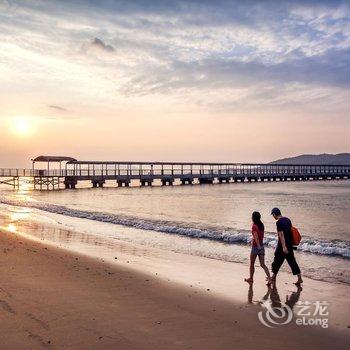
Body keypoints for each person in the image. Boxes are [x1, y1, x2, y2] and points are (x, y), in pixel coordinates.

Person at [270, 208, 303, 285]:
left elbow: (281, 235)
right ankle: (299, 278)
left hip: (282, 245)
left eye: (273, 215)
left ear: (274, 214)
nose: (273, 217)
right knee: (292, 262)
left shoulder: (278, 222)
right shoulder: (288, 219)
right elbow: (290, 231)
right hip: (290, 244)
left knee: (276, 261)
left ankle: (273, 277)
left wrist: (284, 247)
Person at [244, 211, 272, 284]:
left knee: (252, 264)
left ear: (253, 218)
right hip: (262, 247)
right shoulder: (262, 225)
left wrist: (258, 246)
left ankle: (251, 278)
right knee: (263, 265)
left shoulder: (254, 226)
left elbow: (256, 237)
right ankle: (269, 279)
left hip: (256, 247)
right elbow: (260, 236)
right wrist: (260, 246)